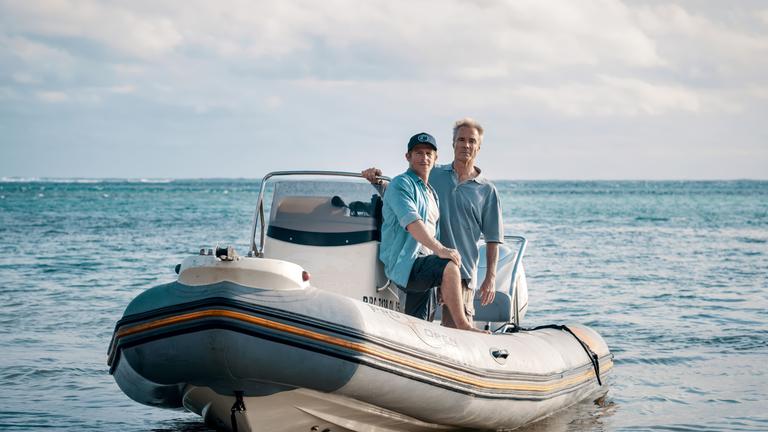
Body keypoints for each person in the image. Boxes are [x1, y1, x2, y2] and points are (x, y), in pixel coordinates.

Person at [364, 118, 503, 328]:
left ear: (478, 147)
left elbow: (493, 239)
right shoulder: (433, 173)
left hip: (460, 269)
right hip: (426, 260)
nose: (466, 145)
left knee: (454, 330)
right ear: (453, 144)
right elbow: (403, 193)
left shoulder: (487, 190)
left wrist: (490, 277)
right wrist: (377, 181)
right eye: (461, 139)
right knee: (423, 325)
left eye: (472, 141)